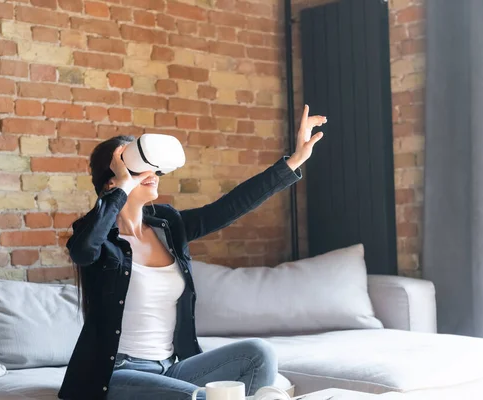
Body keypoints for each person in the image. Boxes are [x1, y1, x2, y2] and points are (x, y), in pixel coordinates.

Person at [58, 105, 326, 400]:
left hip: (172, 369)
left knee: (258, 354)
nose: (153, 172)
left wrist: (294, 160)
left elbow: (229, 207)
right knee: (196, 397)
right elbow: (83, 252)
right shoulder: (96, 234)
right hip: (113, 376)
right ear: (112, 180)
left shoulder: (167, 225)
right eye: (131, 163)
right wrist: (122, 185)